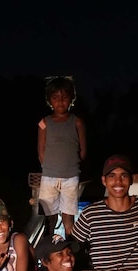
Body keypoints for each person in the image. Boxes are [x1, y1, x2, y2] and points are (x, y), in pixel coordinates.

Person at [37, 76, 86, 238]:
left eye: (64, 97)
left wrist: (72, 165)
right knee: (49, 216)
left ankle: (69, 243)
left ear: (71, 98)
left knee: (68, 215)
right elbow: (41, 150)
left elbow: (83, 150)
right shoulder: (44, 122)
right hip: (49, 176)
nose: (60, 102)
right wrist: (49, 167)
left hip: (70, 176)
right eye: (56, 98)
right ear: (49, 100)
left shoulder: (77, 121)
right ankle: (48, 247)